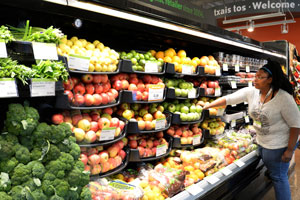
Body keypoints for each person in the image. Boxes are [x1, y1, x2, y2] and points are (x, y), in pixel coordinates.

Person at [203, 60, 300, 200]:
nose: (255, 79)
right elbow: (229, 99)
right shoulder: (252, 92)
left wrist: (290, 150)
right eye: (255, 76)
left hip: (280, 145)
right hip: (262, 141)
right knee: (274, 174)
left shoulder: (283, 98)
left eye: (260, 77)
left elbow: (296, 125)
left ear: (270, 80)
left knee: (279, 177)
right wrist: (207, 106)